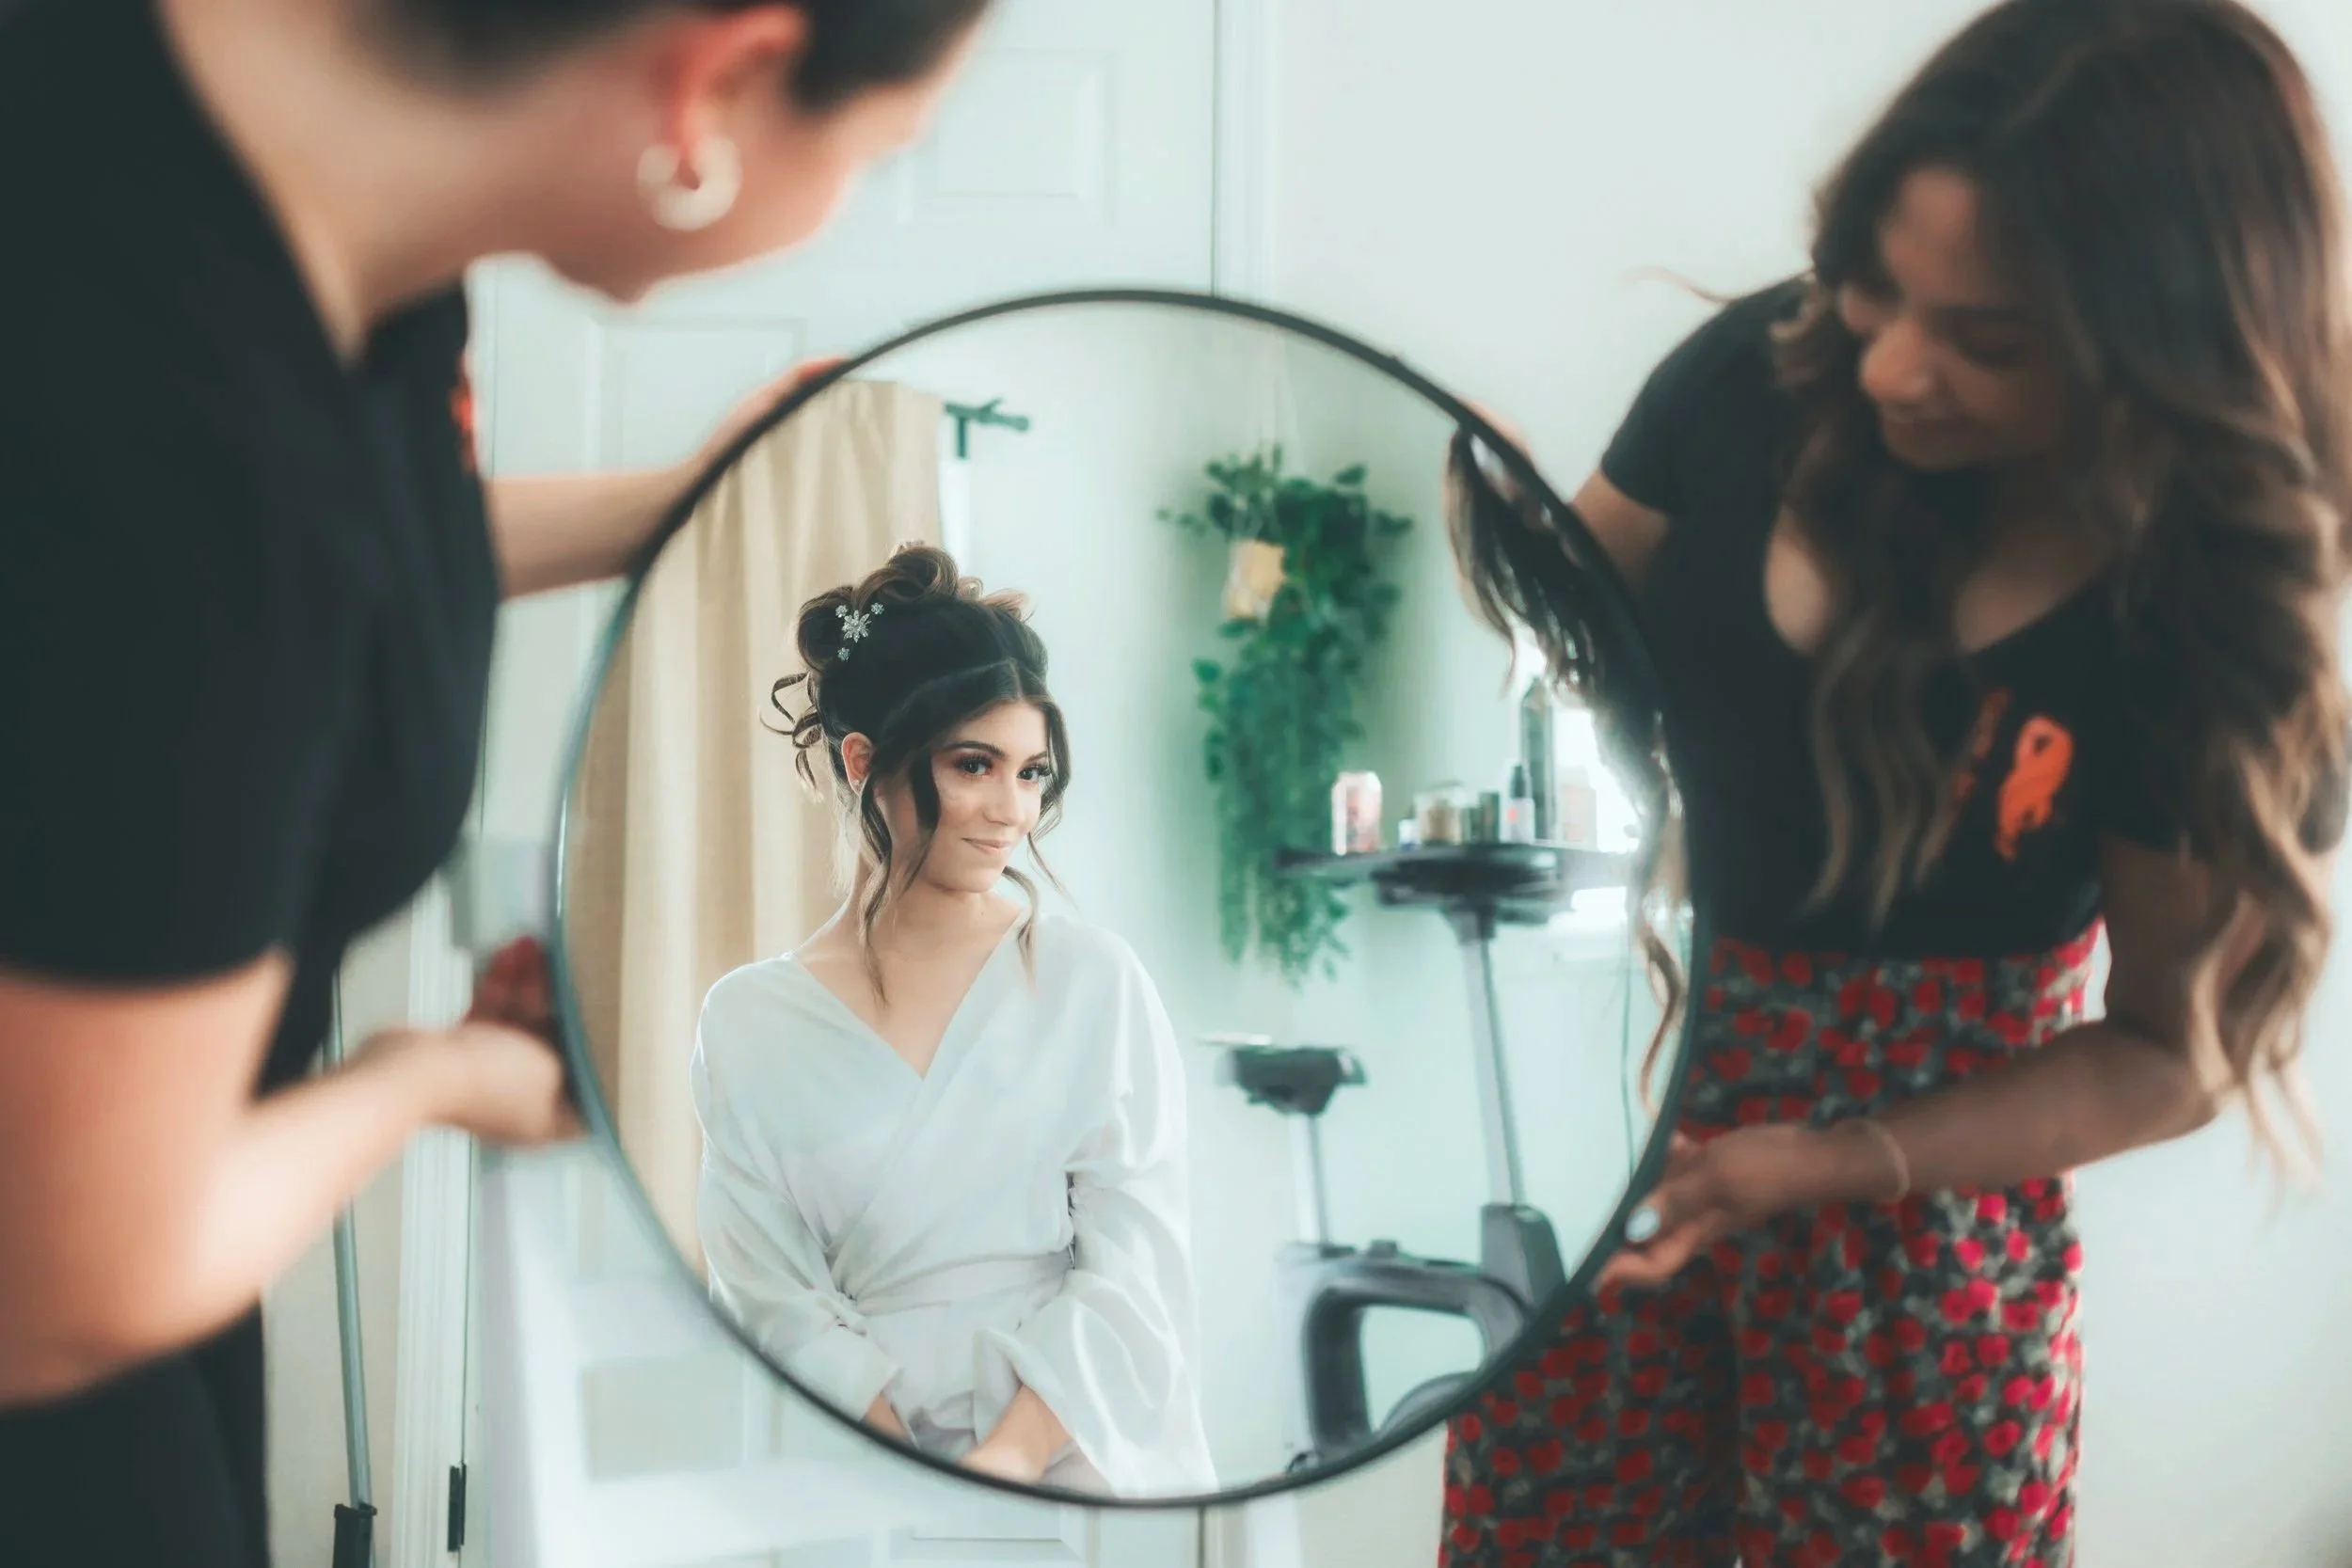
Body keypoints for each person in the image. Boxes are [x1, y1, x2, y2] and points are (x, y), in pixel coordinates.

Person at [0, 1, 994, 1563]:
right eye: (878, 151)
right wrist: (433, 1073)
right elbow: (65, 1279)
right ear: (718, 79)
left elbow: (372, 554)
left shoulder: (314, 219)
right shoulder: (175, 461)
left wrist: (676, 501)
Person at [1442, 1, 2350, 1562]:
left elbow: (2168, 1050)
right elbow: (1586, 640)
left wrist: (1844, 1157)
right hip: (1622, 1154)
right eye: (1876, 290)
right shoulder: (1751, 373)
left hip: (1926, 1245)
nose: (1896, 370)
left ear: (2165, 347)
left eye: (1991, 340)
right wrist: (1492, 534)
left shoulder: (2201, 618)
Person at [690, 546, 1218, 1497]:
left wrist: (1004, 1459)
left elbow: (1134, 1265)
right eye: (974, 764)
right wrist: (900, 1473)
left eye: (1031, 771)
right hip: (855, 1468)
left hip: (1069, 1443)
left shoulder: (1089, 979)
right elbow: (769, 1294)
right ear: (864, 761)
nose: (1012, 808)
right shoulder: (749, 1021)